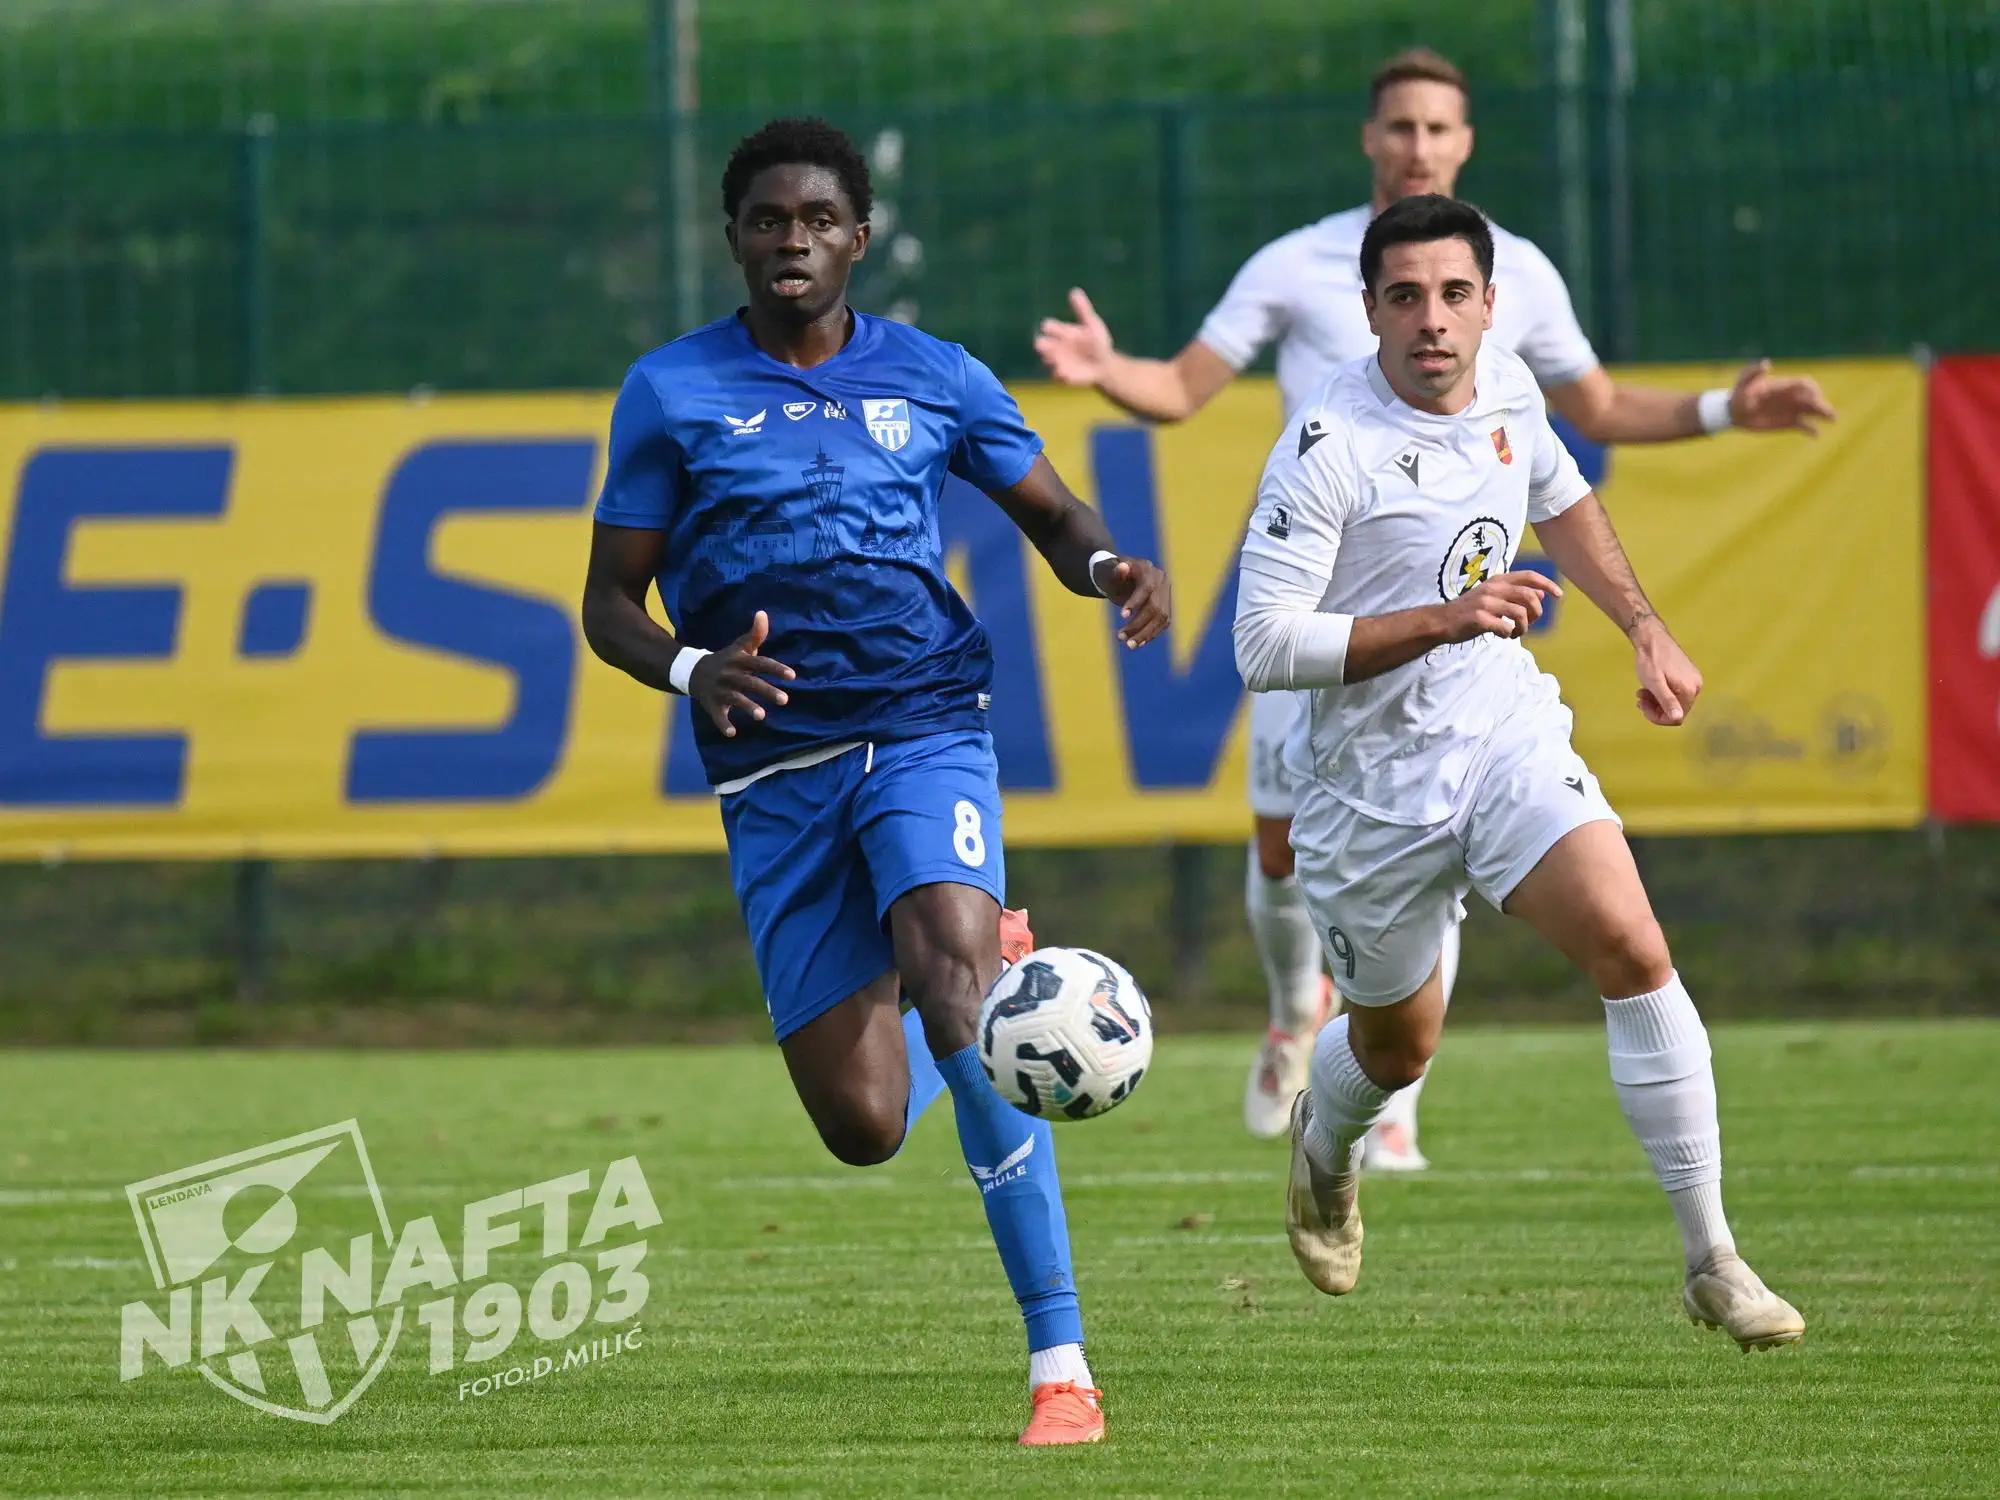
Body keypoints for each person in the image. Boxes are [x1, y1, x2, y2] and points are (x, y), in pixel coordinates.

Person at [1036, 47, 1837, 1160]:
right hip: (1322, 611)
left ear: (1464, 146)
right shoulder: (1298, 264)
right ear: (1370, 141)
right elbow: (1178, 388)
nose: (1417, 145)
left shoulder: (1518, 276)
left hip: (1459, 638)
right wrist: (1109, 367)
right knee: (1279, 851)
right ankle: (1295, 1014)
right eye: (1400, 126)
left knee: (1457, 830)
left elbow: (1594, 411)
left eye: (1437, 128)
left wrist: (1717, 411)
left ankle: (1393, 1106)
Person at [580, 117, 1172, 1444]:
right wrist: (691, 670)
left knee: (956, 995)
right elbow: (609, 606)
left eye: (816, 220)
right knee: (863, 1126)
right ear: (734, 240)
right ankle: (960, 954)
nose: (791, 241)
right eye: (766, 221)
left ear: (858, 236)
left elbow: (1055, 517)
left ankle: (1061, 1364)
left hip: (922, 723)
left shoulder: (936, 375)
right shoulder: (670, 391)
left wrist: (1109, 569)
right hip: (771, 769)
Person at [1231, 193, 1803, 1349]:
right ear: (1368, 311)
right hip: (1363, 792)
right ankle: (1325, 1144)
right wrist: (1443, 617)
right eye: (1404, 297)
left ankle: (1712, 1259)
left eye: (1453, 294)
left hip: (1500, 736)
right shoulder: (1326, 445)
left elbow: (1563, 498)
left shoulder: (1507, 388)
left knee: (1631, 945)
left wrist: (1642, 625)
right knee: (1396, 1048)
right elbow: (1261, 644)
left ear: (1489, 304)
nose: (1431, 320)